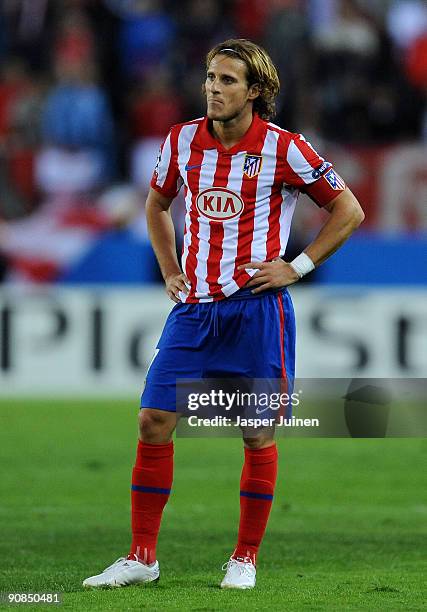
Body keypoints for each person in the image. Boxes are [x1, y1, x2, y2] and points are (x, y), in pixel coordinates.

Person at [83, 38, 364, 590]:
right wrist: (169, 269)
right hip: (193, 310)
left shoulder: (285, 148)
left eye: (228, 80)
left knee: (257, 433)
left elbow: (347, 209)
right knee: (152, 421)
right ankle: (142, 556)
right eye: (210, 77)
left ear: (255, 91)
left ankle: (244, 559)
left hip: (258, 310)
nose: (213, 88)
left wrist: (296, 266)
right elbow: (157, 203)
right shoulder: (183, 139)